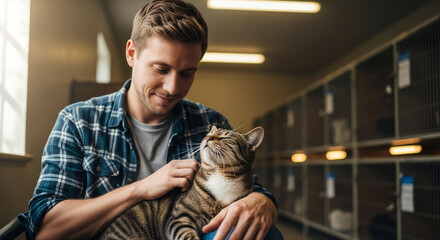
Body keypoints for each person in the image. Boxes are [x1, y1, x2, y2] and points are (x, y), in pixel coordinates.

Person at [19, 0, 280, 239]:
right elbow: (46, 231)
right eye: (161, 69)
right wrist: (141, 189)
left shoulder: (210, 122)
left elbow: (247, 185)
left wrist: (263, 201)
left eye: (188, 73)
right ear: (132, 54)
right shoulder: (78, 121)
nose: (172, 87)